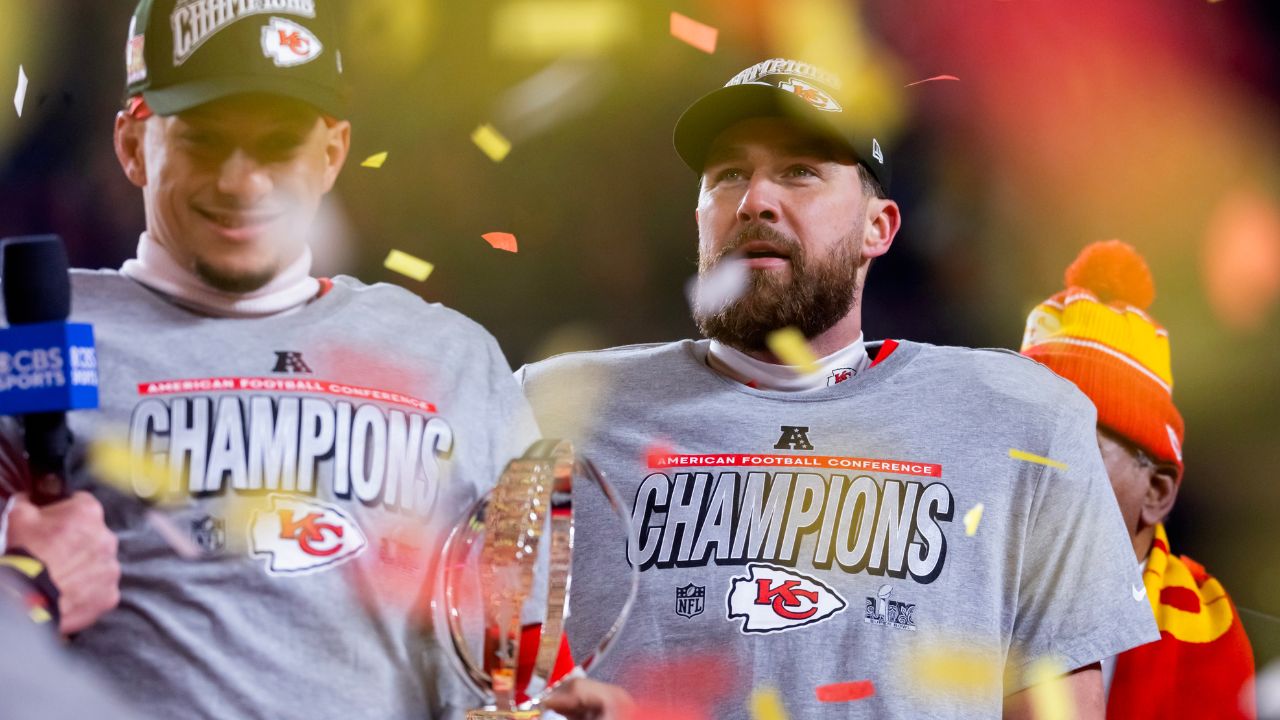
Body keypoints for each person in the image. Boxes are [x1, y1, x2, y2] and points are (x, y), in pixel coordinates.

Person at [0, 1, 630, 718]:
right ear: (134, 143)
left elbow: (515, 652)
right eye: (204, 141)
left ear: (332, 153)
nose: (244, 183)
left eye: (278, 145)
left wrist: (553, 699)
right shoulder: (32, 336)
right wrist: (24, 578)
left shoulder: (453, 359)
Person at [518, 57, 1160, 718]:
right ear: (699, 219)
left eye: (800, 171)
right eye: (729, 174)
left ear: (877, 228)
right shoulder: (554, 409)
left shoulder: (1024, 421)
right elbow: (457, 652)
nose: (755, 200)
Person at [1020, 240, 1256, 718]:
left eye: (1074, 437)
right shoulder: (938, 572)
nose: (1030, 461)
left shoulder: (1211, 644)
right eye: (1021, 432)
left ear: (1157, 491)